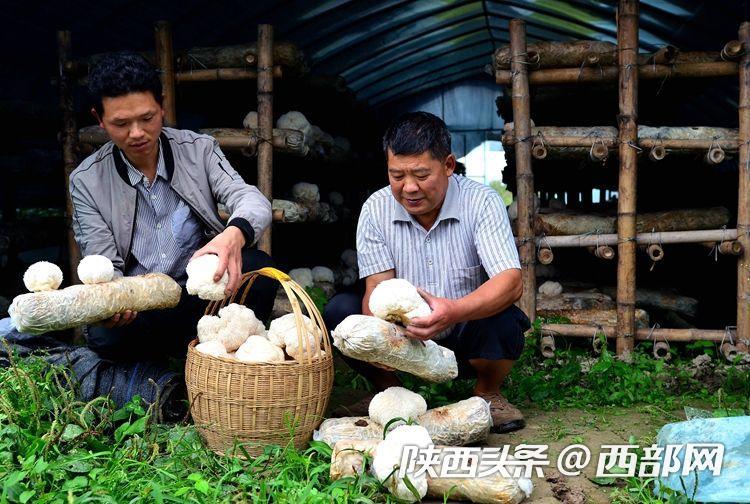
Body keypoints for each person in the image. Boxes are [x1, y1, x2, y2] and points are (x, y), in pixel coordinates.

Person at [324, 112, 530, 433]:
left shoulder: (481, 203)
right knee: (342, 312)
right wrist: (380, 342)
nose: (408, 188)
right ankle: (388, 392)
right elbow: (376, 288)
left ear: (448, 165)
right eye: (396, 176)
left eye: (421, 175)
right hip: (405, 341)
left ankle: (488, 393)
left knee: (504, 319)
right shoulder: (376, 209)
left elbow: (511, 281)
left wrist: (453, 311)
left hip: (465, 333)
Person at [69, 53, 276, 362]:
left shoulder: (198, 150)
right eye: (121, 123)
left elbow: (252, 200)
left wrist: (234, 234)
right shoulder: (87, 181)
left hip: (201, 294)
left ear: (162, 105)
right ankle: (166, 370)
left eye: (147, 118)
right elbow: (102, 261)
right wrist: (115, 298)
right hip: (142, 307)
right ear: (99, 118)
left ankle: (218, 362)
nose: (137, 132)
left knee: (258, 269)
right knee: (105, 333)